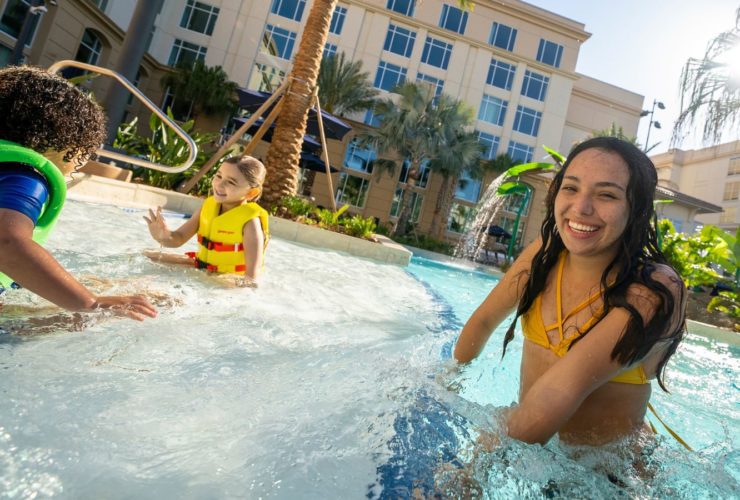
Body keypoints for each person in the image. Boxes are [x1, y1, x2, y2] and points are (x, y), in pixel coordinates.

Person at [454, 137, 687, 447]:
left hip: (609, 477)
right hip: (537, 445)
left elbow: (559, 392)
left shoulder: (654, 290)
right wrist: (449, 379)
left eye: (607, 194)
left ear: (637, 209)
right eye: (571, 188)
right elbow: (484, 321)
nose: (581, 207)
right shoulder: (546, 253)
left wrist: (467, 475)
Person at [0, 65, 157, 321]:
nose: (82, 162)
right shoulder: (25, 176)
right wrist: (91, 304)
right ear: (60, 142)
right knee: (75, 322)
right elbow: (7, 243)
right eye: (84, 150)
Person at [144, 155, 269, 288]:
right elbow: (178, 239)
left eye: (231, 182)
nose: (219, 184)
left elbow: (252, 279)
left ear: (251, 193)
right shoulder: (208, 207)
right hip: (202, 267)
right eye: (219, 176)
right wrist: (163, 236)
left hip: (228, 280)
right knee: (145, 256)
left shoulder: (250, 223)